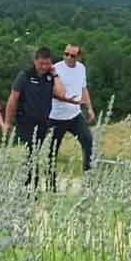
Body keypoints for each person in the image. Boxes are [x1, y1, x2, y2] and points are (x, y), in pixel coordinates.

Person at [5, 47, 76, 187]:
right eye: (41, 63)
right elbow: (13, 98)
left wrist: (55, 75)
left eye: (47, 64)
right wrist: (8, 122)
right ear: (35, 61)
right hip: (26, 121)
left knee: (37, 154)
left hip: (43, 121)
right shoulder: (24, 76)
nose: (44, 67)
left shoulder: (50, 77)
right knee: (31, 153)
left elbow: (61, 93)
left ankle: (33, 185)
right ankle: (30, 186)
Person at [49, 44, 95, 178]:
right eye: (66, 54)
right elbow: (50, 92)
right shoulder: (56, 69)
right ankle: (51, 183)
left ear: (79, 57)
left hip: (75, 115)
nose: (68, 57)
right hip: (56, 117)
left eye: (72, 55)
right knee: (52, 151)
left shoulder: (81, 68)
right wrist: (67, 100)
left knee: (88, 141)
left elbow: (83, 89)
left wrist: (90, 108)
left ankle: (88, 177)